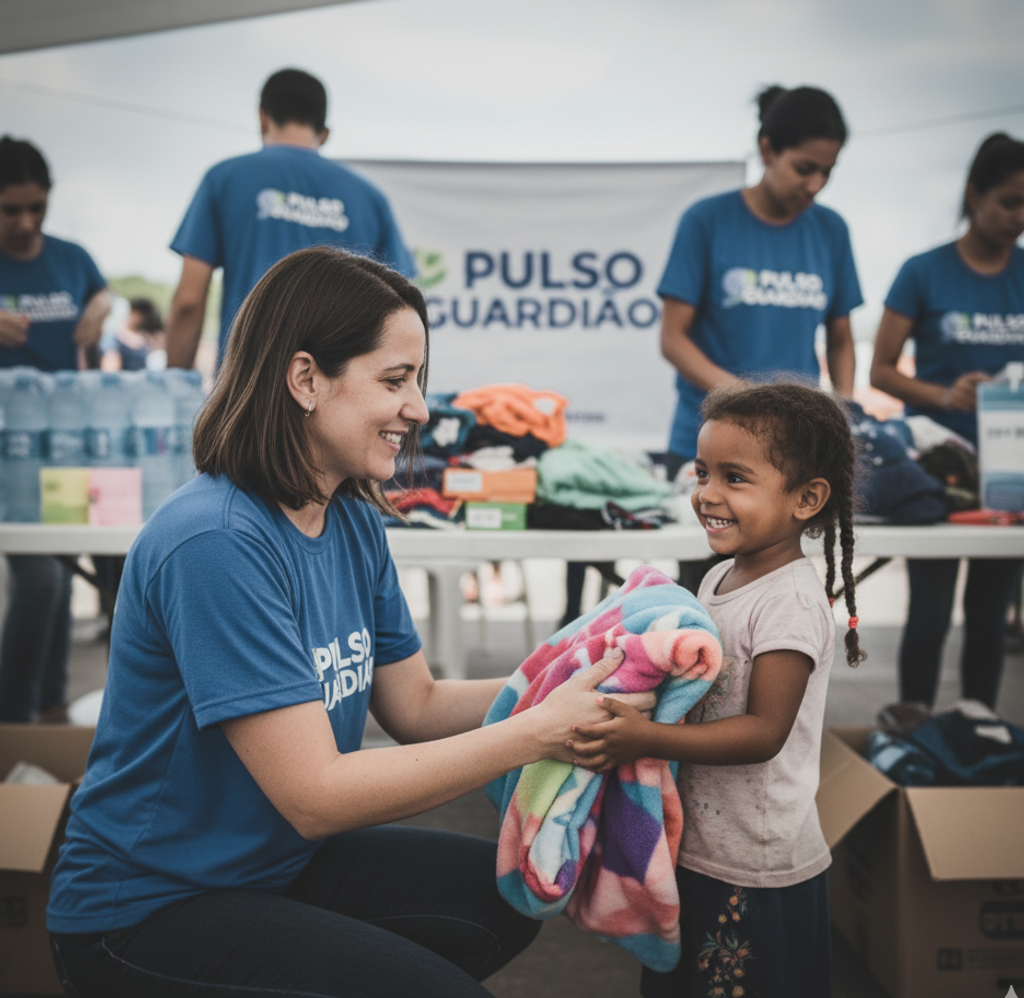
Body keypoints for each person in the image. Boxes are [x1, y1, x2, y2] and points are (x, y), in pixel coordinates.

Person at [47, 246, 656, 998]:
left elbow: (416, 707)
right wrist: (539, 730)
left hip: (271, 865)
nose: (421, 409)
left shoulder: (352, 516)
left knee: (505, 897)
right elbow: (318, 796)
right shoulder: (215, 542)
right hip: (145, 908)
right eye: (395, 380)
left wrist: (578, 679)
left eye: (419, 381)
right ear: (305, 378)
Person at [568, 382, 865, 998]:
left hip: (754, 864)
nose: (707, 494)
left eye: (735, 478)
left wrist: (642, 738)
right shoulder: (724, 575)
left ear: (807, 499)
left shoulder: (789, 603)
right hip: (701, 844)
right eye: (703, 472)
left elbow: (763, 731)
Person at [870, 132, 1024, 713]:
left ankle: (978, 736)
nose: (1019, 216)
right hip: (938, 475)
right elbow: (882, 371)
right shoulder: (923, 272)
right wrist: (945, 393)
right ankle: (916, 734)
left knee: (989, 617)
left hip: (1010, 477)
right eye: (1010, 201)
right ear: (974, 194)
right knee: (931, 613)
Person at [165, 67, 415, 372]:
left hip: (251, 380)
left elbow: (189, 301)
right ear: (324, 133)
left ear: (262, 117)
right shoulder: (370, 196)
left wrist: (176, 384)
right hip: (340, 387)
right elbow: (401, 304)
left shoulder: (225, 179)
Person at [0, 135, 111, 723]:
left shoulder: (70, 257)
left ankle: (51, 710)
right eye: (10, 209)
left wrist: (103, 304)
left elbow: (100, 291)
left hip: (65, 447)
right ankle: (14, 724)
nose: (25, 222)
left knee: (65, 580)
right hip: (7, 451)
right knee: (40, 579)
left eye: (36, 207)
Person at [100, 296, 166, 371]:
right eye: (142, 316)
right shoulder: (112, 338)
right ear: (133, 312)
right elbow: (110, 369)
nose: (143, 321)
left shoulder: (144, 340)